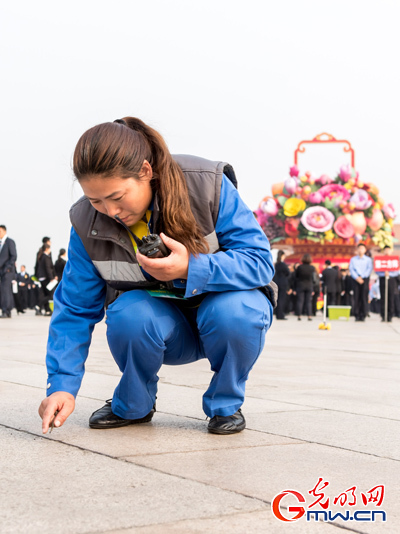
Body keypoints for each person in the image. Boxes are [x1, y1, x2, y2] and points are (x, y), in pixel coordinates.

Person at [38, 117, 275, 436]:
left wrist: (191, 268)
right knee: (128, 313)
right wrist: (62, 385)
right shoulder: (86, 222)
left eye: (117, 197)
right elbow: (75, 308)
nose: (110, 211)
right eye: (96, 200)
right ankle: (133, 404)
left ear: (146, 172)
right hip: (163, 331)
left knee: (238, 311)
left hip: (222, 321)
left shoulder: (206, 184)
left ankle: (225, 405)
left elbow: (259, 262)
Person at [349, 243, 373, 322]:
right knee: (356, 297)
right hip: (356, 279)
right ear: (357, 249)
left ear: (365, 250)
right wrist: (357, 277)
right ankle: (356, 314)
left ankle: (363, 314)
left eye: (362, 248)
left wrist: (362, 277)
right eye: (359, 248)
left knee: (364, 297)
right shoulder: (353, 259)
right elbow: (351, 269)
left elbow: (369, 269)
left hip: (365, 279)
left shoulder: (368, 260)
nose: (361, 250)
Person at [375, 246, 400, 322]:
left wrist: (389, 273)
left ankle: (390, 315)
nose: (387, 251)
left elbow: (397, 270)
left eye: (388, 250)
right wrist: (384, 273)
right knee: (383, 297)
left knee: (391, 297)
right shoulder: (380, 260)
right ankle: (383, 315)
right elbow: (377, 270)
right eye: (385, 250)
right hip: (382, 278)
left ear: (391, 251)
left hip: (391, 279)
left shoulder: (395, 260)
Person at [0, 225, 17, 319]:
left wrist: (7, 267)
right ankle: (7, 310)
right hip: (2, 271)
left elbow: (13, 256)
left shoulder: (10, 242)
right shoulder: (1, 243)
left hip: (8, 271)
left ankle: (5, 310)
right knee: (6, 291)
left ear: (4, 231)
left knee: (5, 290)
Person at [36, 243, 58, 316]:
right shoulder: (46, 257)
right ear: (47, 249)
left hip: (41, 278)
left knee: (45, 294)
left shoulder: (41, 256)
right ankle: (38, 306)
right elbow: (48, 268)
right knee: (50, 295)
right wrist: (51, 277)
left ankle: (47, 311)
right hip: (46, 278)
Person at [294, 253, 315, 321]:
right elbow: (313, 278)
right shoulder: (312, 268)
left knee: (300, 301)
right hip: (309, 285)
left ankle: (299, 315)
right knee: (308, 301)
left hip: (301, 285)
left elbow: (296, 277)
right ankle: (309, 316)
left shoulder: (299, 267)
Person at [273, 250, 290, 320]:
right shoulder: (283, 264)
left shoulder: (276, 264)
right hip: (283, 283)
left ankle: (277, 314)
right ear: (282, 256)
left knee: (277, 299)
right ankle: (281, 315)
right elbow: (288, 273)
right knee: (282, 299)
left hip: (277, 282)